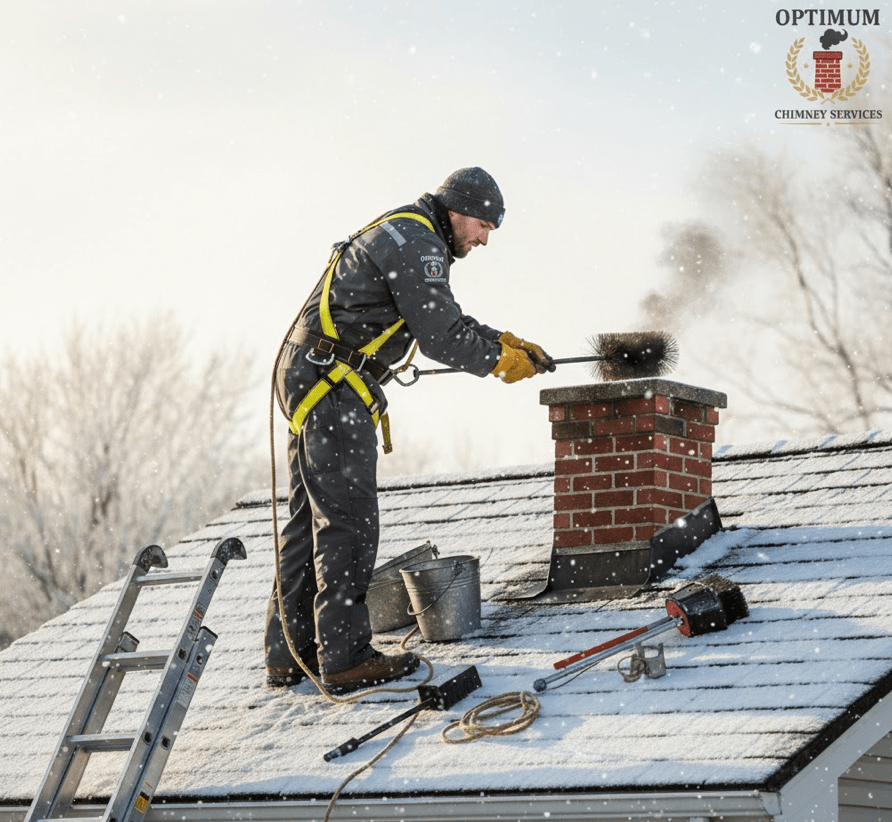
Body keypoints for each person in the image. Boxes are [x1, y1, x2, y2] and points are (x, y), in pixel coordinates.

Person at [266, 167, 551, 694]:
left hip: (313, 375)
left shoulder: (405, 230)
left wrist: (504, 339)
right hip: (333, 383)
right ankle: (345, 658)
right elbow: (441, 335)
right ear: (459, 209)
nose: (484, 239)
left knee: (311, 520)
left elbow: (438, 315)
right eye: (484, 226)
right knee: (348, 520)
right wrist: (497, 362)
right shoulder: (421, 243)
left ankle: (291, 653)